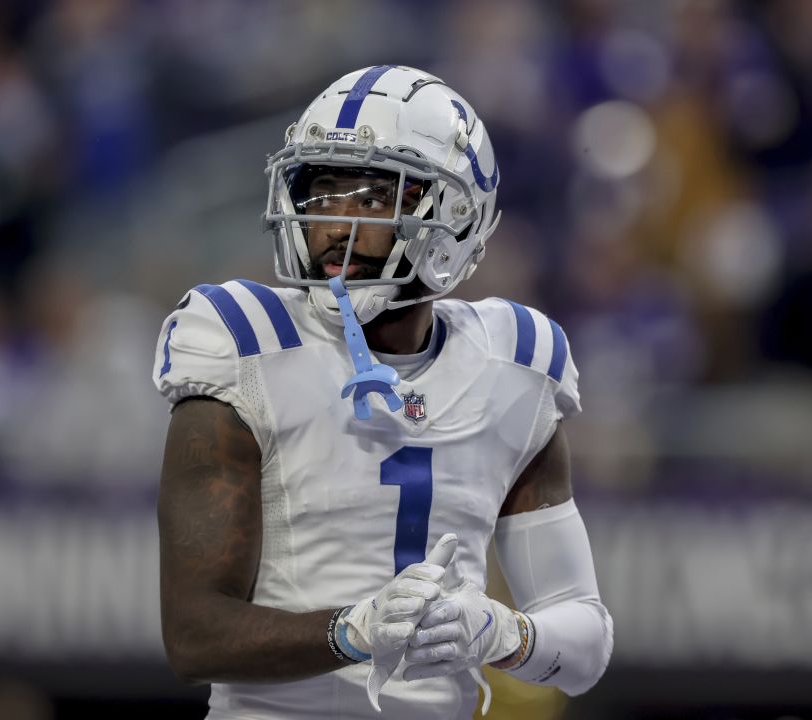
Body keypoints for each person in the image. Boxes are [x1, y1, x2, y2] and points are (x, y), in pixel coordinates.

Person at [152, 65, 612, 719]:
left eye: (372, 198)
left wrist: (504, 634)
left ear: (455, 215)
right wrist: (352, 631)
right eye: (323, 193)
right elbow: (194, 637)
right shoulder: (244, 343)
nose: (336, 225)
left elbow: (586, 645)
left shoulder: (516, 364)